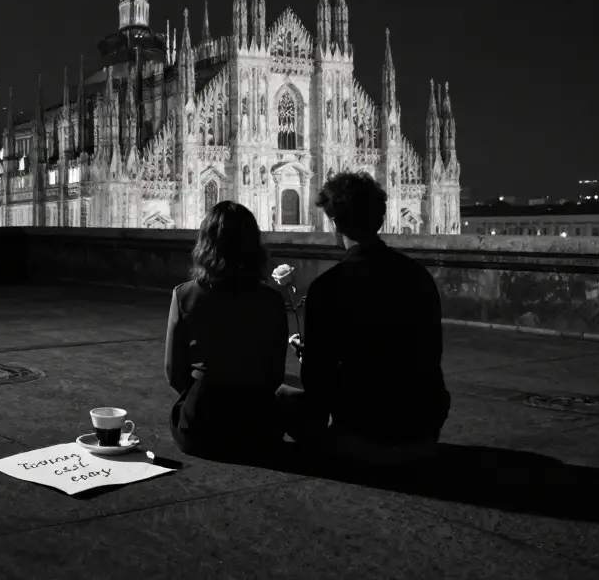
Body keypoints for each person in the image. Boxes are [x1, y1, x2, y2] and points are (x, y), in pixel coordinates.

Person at [277, 171, 452, 465]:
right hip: (423, 431)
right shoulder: (418, 275)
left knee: (278, 393)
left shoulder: (328, 286)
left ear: (335, 223)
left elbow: (318, 382)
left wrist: (308, 356)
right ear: (381, 219)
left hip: (363, 436)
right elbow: (432, 352)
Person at [167, 201, 290, 458]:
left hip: (200, 427)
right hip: (258, 427)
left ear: (206, 244)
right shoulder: (272, 300)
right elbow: (275, 373)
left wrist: (202, 392)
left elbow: (174, 371)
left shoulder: (185, 294)